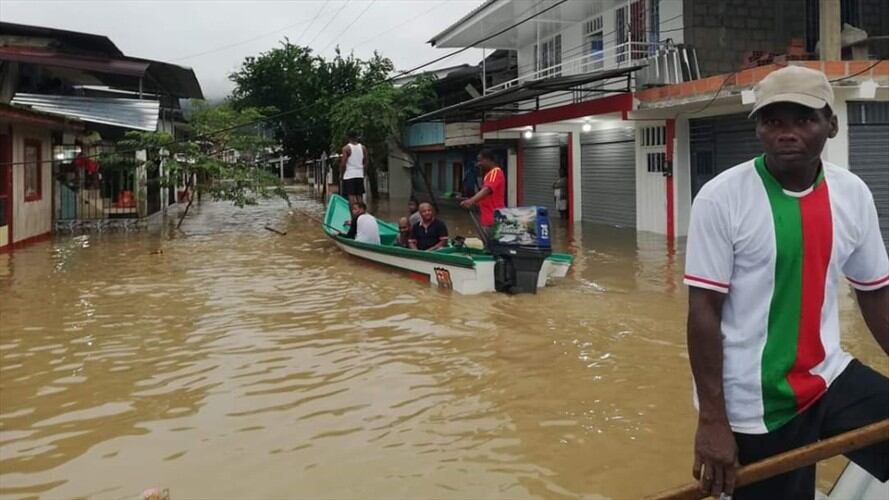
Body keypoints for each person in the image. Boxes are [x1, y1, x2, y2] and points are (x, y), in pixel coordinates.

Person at [684, 65, 888, 500]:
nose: (787, 133)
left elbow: (875, 295)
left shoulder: (852, 195)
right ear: (758, 128)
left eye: (804, 119)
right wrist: (713, 421)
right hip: (751, 405)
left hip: (827, 377)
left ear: (830, 126)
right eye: (774, 121)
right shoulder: (721, 199)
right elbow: (703, 312)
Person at [459, 149, 505, 232]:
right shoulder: (489, 174)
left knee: (491, 243)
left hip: (493, 218)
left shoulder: (495, 172)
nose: (478, 164)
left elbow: (487, 189)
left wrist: (471, 201)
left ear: (487, 159)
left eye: (480, 161)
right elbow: (487, 195)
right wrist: (475, 202)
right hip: (488, 218)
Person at [339, 131, 368, 205]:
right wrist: (363, 173)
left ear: (348, 137)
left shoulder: (346, 148)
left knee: (351, 196)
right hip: (359, 175)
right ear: (357, 137)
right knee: (359, 195)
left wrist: (342, 175)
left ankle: (353, 213)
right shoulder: (363, 148)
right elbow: (366, 162)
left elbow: (343, 164)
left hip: (349, 175)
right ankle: (361, 214)